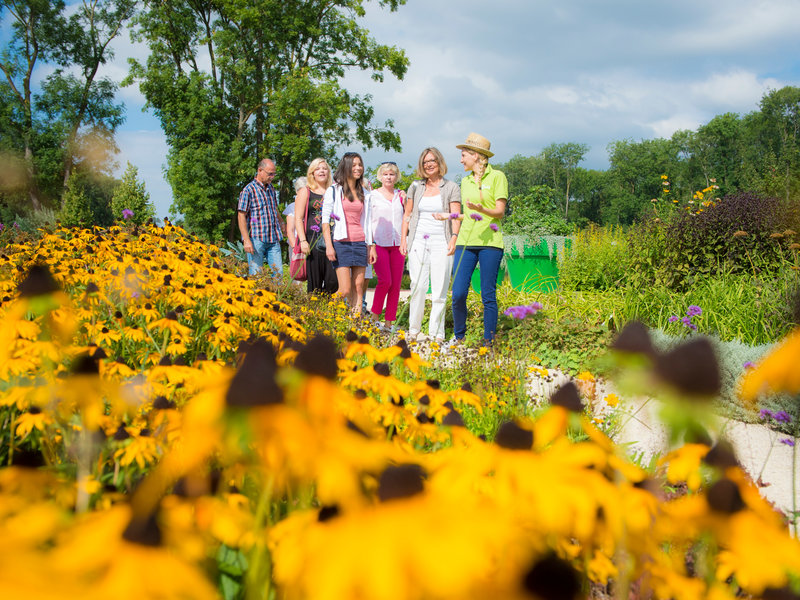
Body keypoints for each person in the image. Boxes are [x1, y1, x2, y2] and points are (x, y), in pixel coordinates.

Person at [449, 133, 508, 347]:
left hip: (490, 243)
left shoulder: (497, 177)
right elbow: (469, 213)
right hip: (466, 241)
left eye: (464, 155)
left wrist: (482, 209)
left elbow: (500, 212)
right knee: (458, 292)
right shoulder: (464, 181)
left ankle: (489, 342)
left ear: (476, 156)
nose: (461, 160)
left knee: (488, 294)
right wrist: (449, 216)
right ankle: (459, 336)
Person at [400, 147, 461, 342]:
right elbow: (407, 215)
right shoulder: (416, 187)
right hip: (418, 240)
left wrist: (454, 238)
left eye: (432, 160)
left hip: (441, 241)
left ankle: (436, 334)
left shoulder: (451, 187)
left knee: (439, 289)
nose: (429, 164)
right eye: (425, 161)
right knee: (417, 285)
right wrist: (404, 238)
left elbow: (455, 216)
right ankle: (414, 330)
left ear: (439, 162)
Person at [321, 152, 372, 315]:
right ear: (346, 166)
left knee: (358, 288)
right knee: (344, 289)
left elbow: (369, 222)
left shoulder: (365, 192)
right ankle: (322, 314)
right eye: (354, 165)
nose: (358, 168)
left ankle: (354, 323)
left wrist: (371, 247)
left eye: (360, 165)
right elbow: (324, 221)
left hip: (360, 242)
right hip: (341, 243)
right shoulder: (334, 191)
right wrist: (329, 246)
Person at [367, 162, 406, 332]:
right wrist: (371, 245)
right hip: (379, 243)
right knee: (385, 281)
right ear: (380, 177)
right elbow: (368, 222)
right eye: (385, 174)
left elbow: (408, 218)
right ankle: (375, 316)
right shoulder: (372, 196)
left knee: (396, 284)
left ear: (396, 177)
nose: (389, 177)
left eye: (392, 174)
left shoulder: (401, 196)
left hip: (398, 244)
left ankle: (390, 322)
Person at [295, 159, 338, 294]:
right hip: (312, 240)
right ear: (312, 173)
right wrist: (303, 241)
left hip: (332, 239)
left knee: (333, 280)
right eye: (318, 169)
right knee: (315, 283)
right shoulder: (305, 191)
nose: (322, 171)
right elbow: (298, 218)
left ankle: (328, 308)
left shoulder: (335, 191)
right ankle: (313, 311)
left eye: (324, 168)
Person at [237, 158, 285, 276]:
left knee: (278, 274)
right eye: (270, 174)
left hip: (273, 238)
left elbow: (274, 208)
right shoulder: (248, 190)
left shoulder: (271, 188)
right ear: (260, 170)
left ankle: (277, 295)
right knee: (256, 275)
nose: (272, 177)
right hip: (256, 239)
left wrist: (282, 222)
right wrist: (246, 240)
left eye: (274, 174)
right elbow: (241, 215)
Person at [283, 176, 308, 250]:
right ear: (297, 191)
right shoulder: (292, 207)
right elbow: (290, 230)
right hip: (297, 244)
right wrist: (295, 248)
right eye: (301, 190)